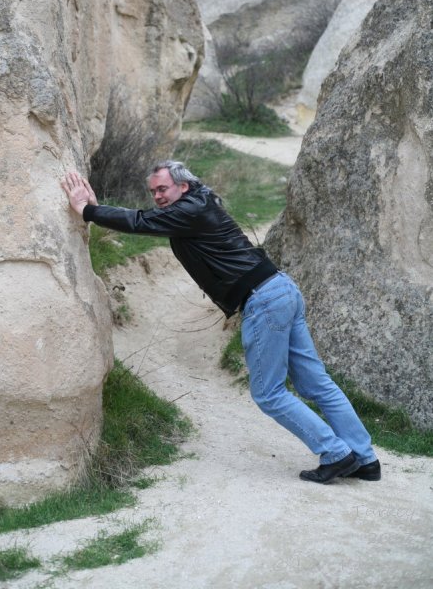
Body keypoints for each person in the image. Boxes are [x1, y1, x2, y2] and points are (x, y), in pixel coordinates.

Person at [61, 160, 381, 484]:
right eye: (153, 191)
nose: (157, 196)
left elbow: (140, 221)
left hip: (264, 299)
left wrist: (88, 211)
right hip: (280, 290)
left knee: (269, 394)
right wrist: (97, 210)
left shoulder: (190, 209)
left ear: (182, 186)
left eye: (162, 189)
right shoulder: (196, 204)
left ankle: (337, 453)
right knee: (316, 384)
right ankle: (365, 458)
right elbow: (147, 219)